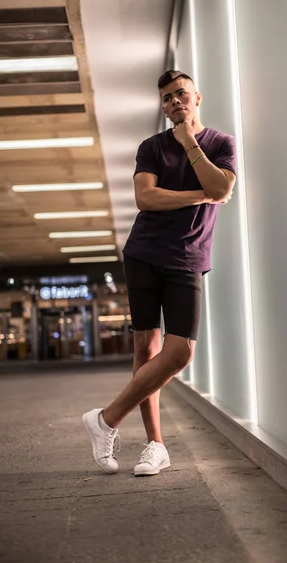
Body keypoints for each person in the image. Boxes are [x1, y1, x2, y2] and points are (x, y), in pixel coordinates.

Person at [83, 69, 236, 476]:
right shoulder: (150, 147)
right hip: (144, 252)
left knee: (180, 351)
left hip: (187, 257)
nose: (174, 102)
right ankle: (155, 446)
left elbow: (222, 188)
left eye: (180, 94)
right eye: (167, 98)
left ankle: (107, 419)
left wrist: (189, 144)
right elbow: (147, 198)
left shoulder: (221, 143)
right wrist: (202, 194)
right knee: (145, 350)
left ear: (197, 97)